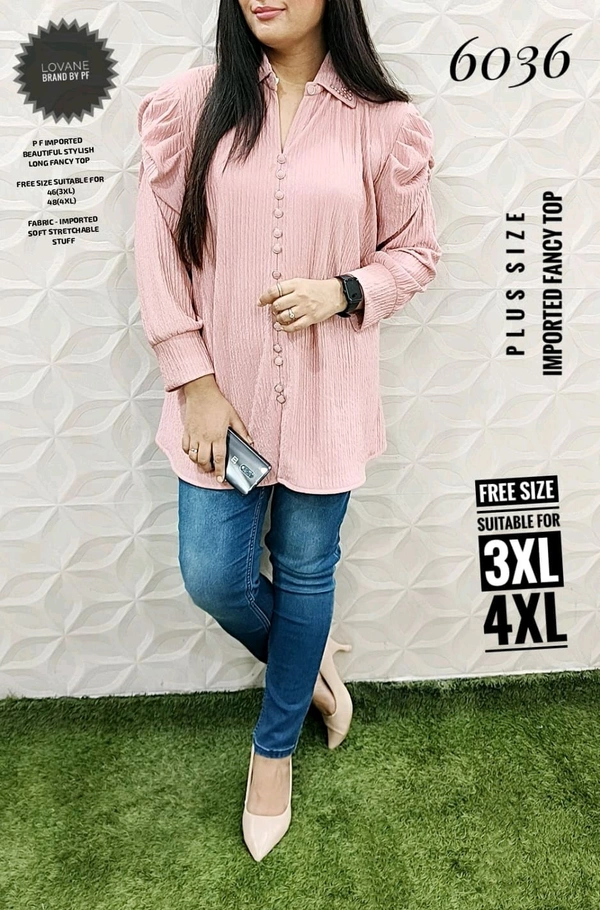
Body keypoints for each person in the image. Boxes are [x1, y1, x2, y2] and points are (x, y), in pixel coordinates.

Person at [134, 0, 442, 861]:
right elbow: (156, 251)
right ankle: (309, 669)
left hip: (325, 396)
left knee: (307, 571)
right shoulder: (190, 105)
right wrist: (193, 380)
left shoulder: (386, 125)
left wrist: (345, 290)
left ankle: (273, 754)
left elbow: (417, 252)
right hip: (219, 403)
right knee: (212, 576)